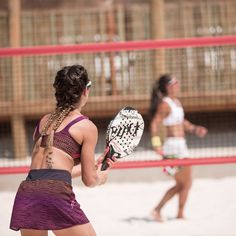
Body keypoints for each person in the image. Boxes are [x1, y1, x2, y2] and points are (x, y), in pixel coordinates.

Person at [10, 64, 116, 236]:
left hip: (27, 192)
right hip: (54, 193)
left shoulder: (44, 121)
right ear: (85, 91)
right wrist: (101, 176)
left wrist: (89, 166)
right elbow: (89, 181)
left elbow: (50, 172)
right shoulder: (86, 126)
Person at [149, 73, 207, 222]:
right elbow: (155, 123)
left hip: (180, 146)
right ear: (168, 87)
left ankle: (169, 211)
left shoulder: (176, 102)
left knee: (183, 184)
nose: (178, 84)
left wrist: (195, 129)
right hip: (173, 147)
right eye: (175, 82)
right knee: (185, 183)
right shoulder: (165, 103)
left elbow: (182, 122)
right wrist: (156, 144)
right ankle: (163, 210)